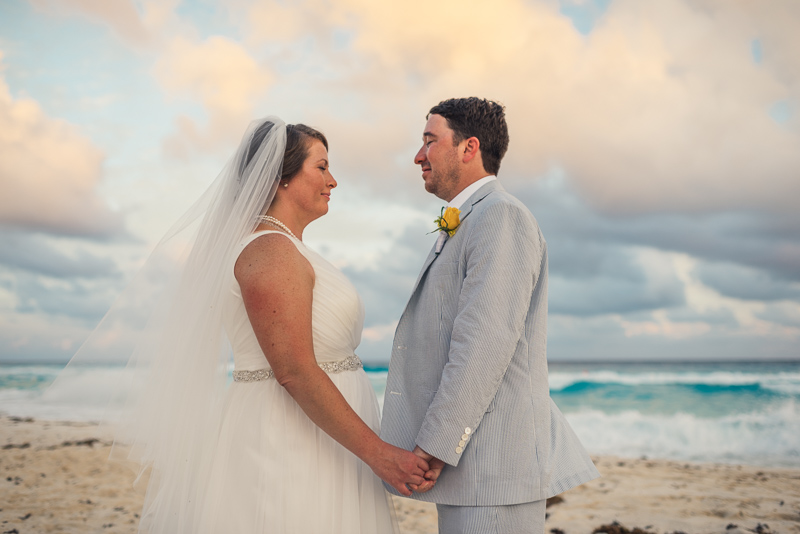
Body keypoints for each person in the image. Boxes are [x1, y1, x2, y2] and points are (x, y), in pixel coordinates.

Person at [58, 117, 427, 533]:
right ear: (279, 179)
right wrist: (379, 454)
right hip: (290, 439)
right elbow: (294, 369)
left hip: (325, 440)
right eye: (321, 167)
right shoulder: (270, 250)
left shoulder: (287, 246)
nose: (333, 181)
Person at [380, 98, 600, 534]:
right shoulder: (469, 219)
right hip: (473, 469)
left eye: (430, 141)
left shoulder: (500, 217)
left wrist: (436, 445)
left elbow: (484, 342)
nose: (418, 155)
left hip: (495, 467)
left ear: (469, 147)